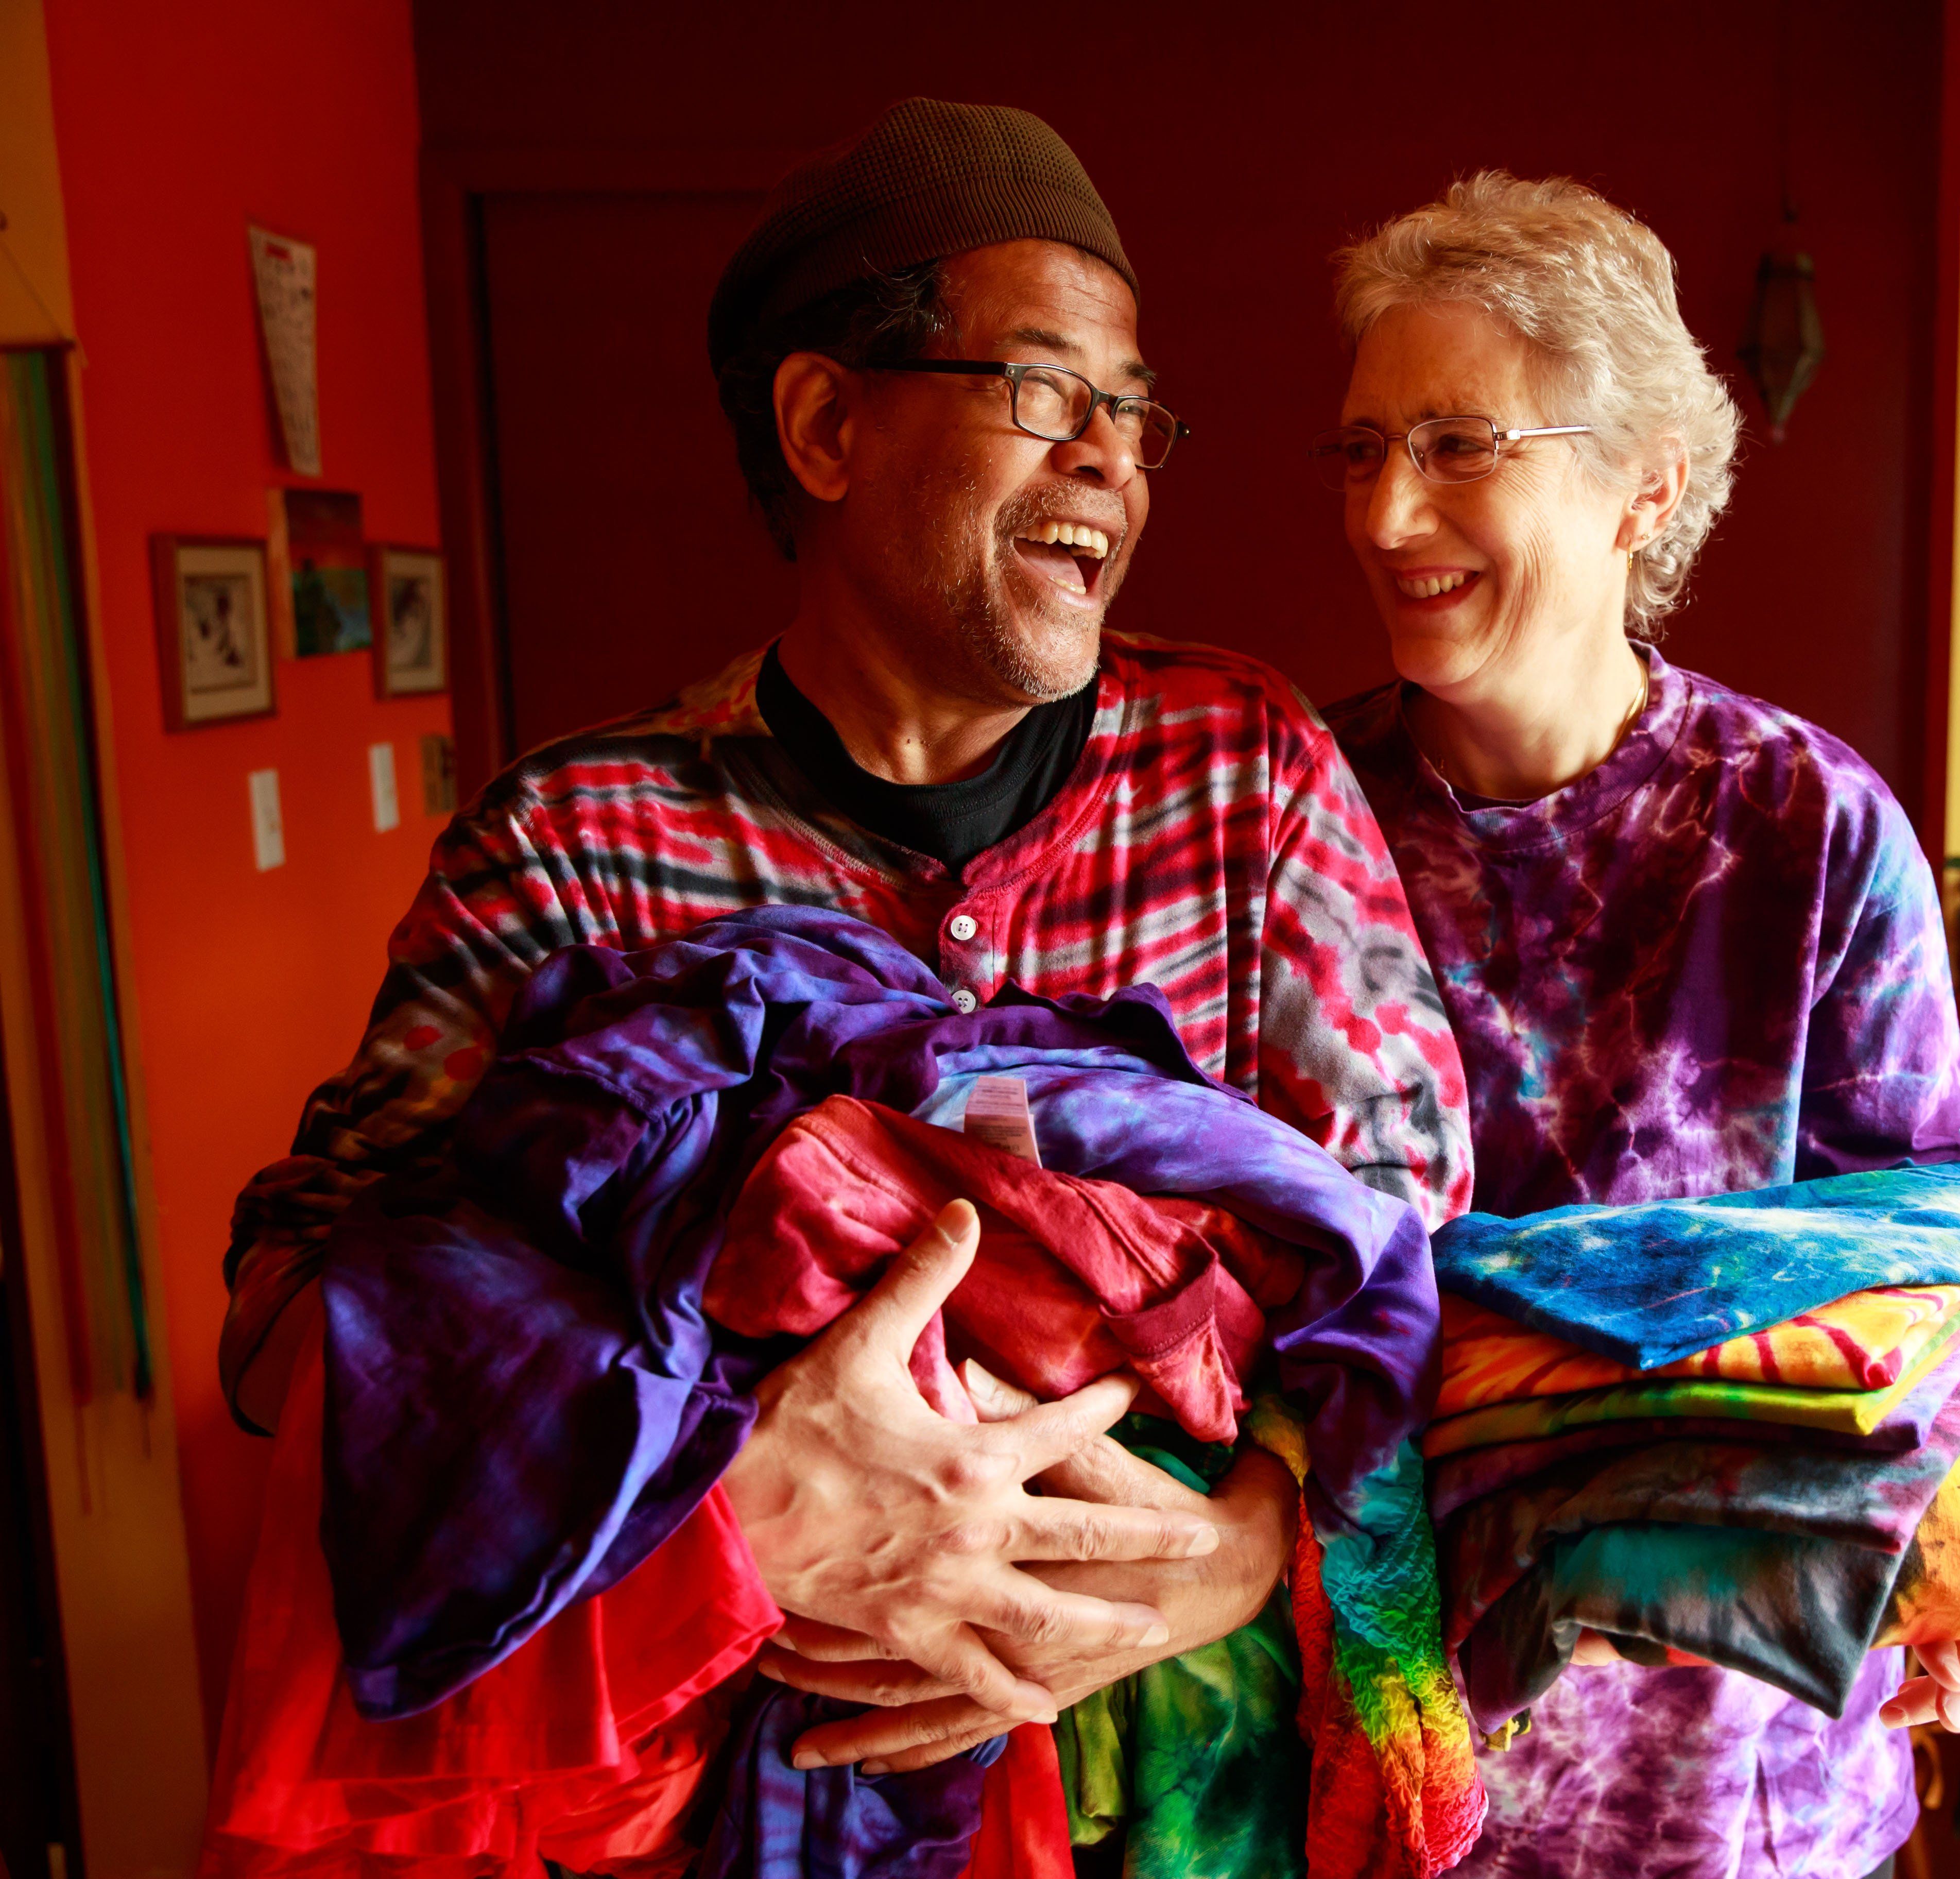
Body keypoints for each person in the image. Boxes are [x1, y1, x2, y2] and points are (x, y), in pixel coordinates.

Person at [218, 99, 1470, 1771]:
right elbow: (290, 1306)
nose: (1108, 456)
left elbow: (1414, 1223)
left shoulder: (1238, 768)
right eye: (1042, 392)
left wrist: (1244, 1545)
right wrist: (730, 1493)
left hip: (1199, 1784)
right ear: (825, 425)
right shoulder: (576, 850)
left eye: (1130, 409)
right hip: (754, 1778)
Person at [1318, 174, 1960, 1879]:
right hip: (1382, 1758)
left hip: (1726, 1789)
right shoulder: (1294, 817)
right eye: (1362, 447)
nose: (1390, 512)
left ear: (1646, 488)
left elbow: (1921, 1305)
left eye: (1462, 443)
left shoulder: (1807, 831)